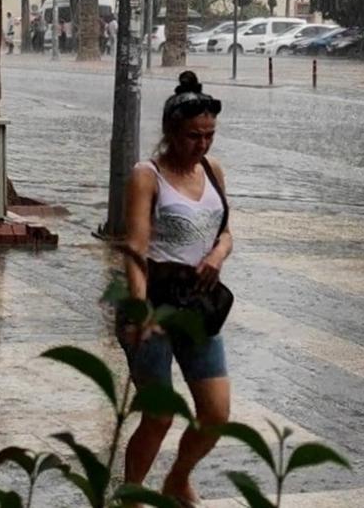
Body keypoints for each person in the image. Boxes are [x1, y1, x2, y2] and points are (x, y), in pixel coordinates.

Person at [120, 71, 232, 506]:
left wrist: (217, 256)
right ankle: (131, 494)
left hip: (200, 305)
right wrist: (139, 310)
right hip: (155, 301)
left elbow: (226, 231)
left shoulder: (213, 170)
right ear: (170, 131)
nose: (201, 145)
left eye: (209, 135)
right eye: (192, 136)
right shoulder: (147, 175)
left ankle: (177, 479)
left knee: (216, 413)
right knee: (160, 414)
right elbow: (134, 248)